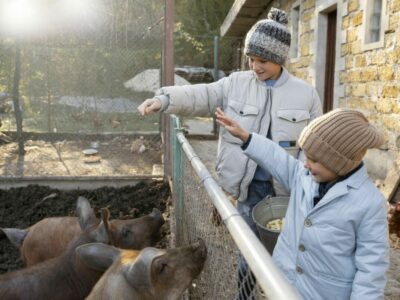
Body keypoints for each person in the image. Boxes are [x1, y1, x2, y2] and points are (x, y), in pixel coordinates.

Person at [138, 8, 322, 299]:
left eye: (262, 60)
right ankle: (245, 297)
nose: (255, 65)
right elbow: (202, 94)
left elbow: (314, 144)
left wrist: (311, 184)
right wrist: (164, 99)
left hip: (288, 192)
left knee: (290, 258)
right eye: (251, 58)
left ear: (280, 58)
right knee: (248, 257)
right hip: (249, 188)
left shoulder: (305, 94)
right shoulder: (237, 83)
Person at [215, 107, 389, 299]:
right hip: (284, 286)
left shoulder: (370, 203)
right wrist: (246, 137)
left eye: (313, 159)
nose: (305, 164)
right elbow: (277, 158)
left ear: (338, 162)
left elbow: (371, 269)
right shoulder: (304, 177)